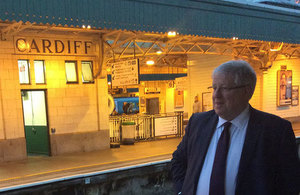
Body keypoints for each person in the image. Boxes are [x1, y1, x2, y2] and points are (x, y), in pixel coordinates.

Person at [171, 60, 300, 195]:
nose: (216, 95)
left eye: (224, 88)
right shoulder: (198, 123)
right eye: (214, 88)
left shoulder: (276, 131)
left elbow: (290, 183)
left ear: (247, 91)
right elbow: (178, 161)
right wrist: (182, 190)